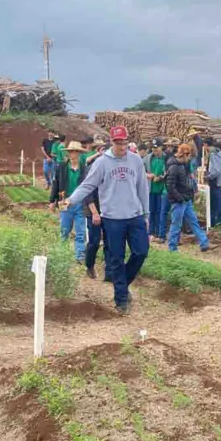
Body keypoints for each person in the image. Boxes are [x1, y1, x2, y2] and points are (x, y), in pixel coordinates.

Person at [65, 125, 149, 315]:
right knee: (116, 259)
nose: (122, 146)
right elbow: (87, 186)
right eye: (118, 143)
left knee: (141, 252)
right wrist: (71, 200)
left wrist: (146, 215)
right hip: (112, 219)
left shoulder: (135, 160)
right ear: (112, 142)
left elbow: (143, 188)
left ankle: (123, 284)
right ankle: (121, 300)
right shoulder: (102, 163)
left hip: (134, 215)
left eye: (124, 142)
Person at [166, 143, 214, 253]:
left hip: (186, 199)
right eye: (189, 156)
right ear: (184, 155)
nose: (189, 158)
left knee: (194, 221)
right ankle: (172, 248)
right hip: (179, 201)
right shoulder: (173, 168)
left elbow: (190, 177)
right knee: (176, 224)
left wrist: (194, 188)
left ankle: (204, 243)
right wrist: (180, 198)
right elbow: (170, 187)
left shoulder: (185, 165)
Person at [49, 141, 88, 264]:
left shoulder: (85, 169)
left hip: (80, 203)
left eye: (75, 151)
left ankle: (80, 256)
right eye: (71, 151)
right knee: (65, 230)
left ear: (80, 153)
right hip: (64, 201)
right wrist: (52, 200)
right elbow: (56, 184)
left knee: (80, 231)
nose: (73, 154)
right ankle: (62, 254)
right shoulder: (62, 167)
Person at [83, 145, 110, 282]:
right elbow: (88, 194)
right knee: (94, 241)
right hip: (92, 208)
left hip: (108, 210)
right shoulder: (91, 170)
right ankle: (89, 265)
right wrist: (95, 213)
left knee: (110, 241)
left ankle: (109, 270)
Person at [143, 138, 169, 243]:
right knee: (151, 211)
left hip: (162, 189)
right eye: (153, 148)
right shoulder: (148, 158)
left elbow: (168, 171)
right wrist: (148, 175)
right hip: (150, 189)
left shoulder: (166, 158)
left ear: (161, 147)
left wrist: (162, 177)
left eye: (156, 148)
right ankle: (150, 232)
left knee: (160, 211)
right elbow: (139, 170)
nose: (155, 150)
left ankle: (159, 232)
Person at [204, 137, 221, 227]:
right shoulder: (217, 152)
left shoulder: (213, 154)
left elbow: (217, 171)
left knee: (216, 202)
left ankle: (220, 221)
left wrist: (208, 176)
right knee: (216, 202)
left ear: (206, 145)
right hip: (218, 181)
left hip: (215, 181)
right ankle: (216, 221)